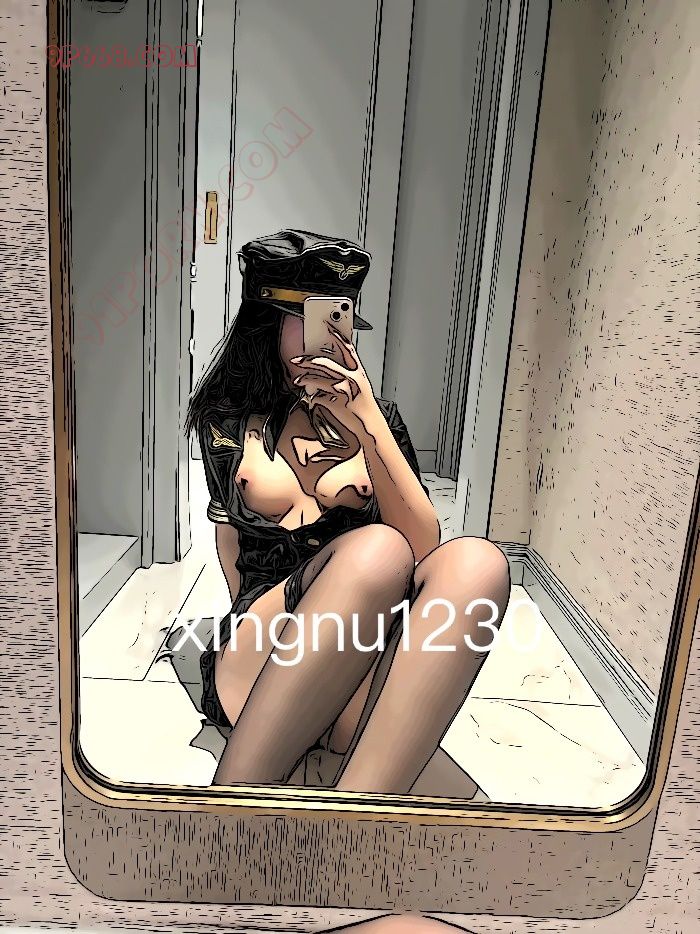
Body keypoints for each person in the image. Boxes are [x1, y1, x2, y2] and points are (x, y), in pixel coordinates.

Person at [186, 229, 510, 795]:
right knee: (376, 550)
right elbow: (230, 544)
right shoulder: (229, 418)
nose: (333, 335)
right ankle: (233, 810)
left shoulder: (376, 418)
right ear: (267, 318)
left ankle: (361, 816)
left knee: (478, 562)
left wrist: (366, 421)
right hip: (265, 646)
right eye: (313, 317)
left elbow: (425, 550)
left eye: (342, 318)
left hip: (358, 649)